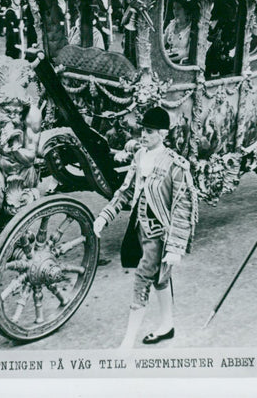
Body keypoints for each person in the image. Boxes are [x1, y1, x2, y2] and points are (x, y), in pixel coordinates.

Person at [93, 107, 198, 348]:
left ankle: (127, 343)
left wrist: (176, 247)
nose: (143, 135)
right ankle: (167, 325)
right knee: (160, 279)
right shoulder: (140, 157)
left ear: (162, 133)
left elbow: (182, 207)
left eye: (149, 132)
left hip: (159, 234)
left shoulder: (176, 165)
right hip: (139, 228)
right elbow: (126, 191)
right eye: (142, 130)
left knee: (142, 279)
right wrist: (104, 217)